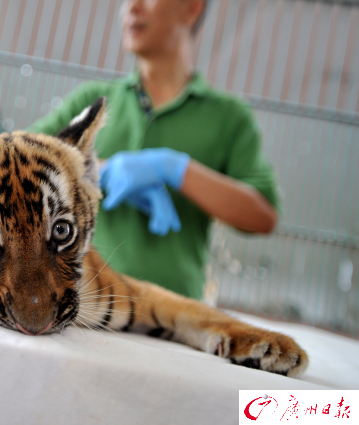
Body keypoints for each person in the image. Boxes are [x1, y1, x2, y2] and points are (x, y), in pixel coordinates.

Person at [28, 0, 280, 299]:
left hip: (175, 310)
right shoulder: (93, 102)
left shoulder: (228, 117)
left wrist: (175, 168)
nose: (131, 7)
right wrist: (100, 170)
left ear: (191, 8)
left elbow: (263, 215)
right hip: (85, 302)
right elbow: (18, 161)